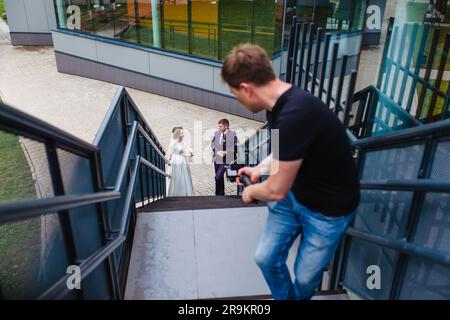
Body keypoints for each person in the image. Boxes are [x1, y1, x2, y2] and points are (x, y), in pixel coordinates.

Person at [221, 44, 360, 300]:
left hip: (328, 211)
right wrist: (260, 168)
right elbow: (286, 149)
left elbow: (274, 189)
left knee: (306, 279)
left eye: (234, 93)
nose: (236, 99)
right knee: (266, 258)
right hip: (294, 194)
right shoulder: (276, 105)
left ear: (246, 89)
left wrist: (251, 191)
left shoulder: (296, 112)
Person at [211, 119, 239, 196]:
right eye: (218, 126)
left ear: (226, 126)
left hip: (226, 160)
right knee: (219, 178)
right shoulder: (216, 133)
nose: (218, 128)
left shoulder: (232, 134)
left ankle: (220, 194)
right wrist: (217, 152)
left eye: (220, 126)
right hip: (217, 159)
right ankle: (219, 195)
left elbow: (236, 146)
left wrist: (226, 152)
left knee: (217, 177)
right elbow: (213, 144)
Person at [167, 126, 194, 197]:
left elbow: (186, 149)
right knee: (178, 176)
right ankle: (177, 193)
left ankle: (186, 192)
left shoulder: (183, 140)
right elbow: (171, 153)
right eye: (182, 132)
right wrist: (169, 159)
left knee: (185, 176)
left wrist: (190, 153)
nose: (183, 133)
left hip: (183, 160)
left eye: (183, 132)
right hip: (176, 160)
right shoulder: (174, 142)